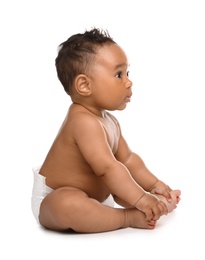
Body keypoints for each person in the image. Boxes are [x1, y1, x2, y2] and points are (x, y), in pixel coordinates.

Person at [31, 28, 181, 233]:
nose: (128, 81)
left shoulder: (109, 121)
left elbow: (128, 159)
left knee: (125, 181)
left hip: (96, 198)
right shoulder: (82, 121)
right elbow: (107, 168)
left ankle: (158, 204)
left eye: (127, 73)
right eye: (118, 74)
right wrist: (140, 198)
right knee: (67, 204)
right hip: (53, 199)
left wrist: (153, 184)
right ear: (84, 85)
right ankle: (126, 217)